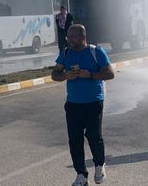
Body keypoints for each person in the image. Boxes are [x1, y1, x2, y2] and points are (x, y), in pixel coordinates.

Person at [52, 24, 115, 186]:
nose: (69, 39)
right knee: (75, 140)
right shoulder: (65, 53)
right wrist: (65, 75)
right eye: (68, 37)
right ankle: (81, 174)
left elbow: (110, 73)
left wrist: (91, 75)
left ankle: (100, 165)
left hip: (93, 102)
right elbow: (55, 74)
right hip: (73, 104)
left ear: (82, 37)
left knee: (94, 137)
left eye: (73, 36)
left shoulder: (96, 52)